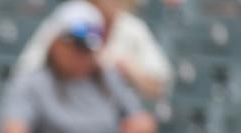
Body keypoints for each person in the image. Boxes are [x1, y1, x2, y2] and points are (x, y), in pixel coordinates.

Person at [0, 0, 157, 133]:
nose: (82, 57)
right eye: (75, 47)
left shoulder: (107, 77)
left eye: (88, 50)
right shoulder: (32, 82)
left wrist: (139, 125)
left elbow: (144, 121)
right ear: (55, 44)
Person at [14, 0, 172, 101]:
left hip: (109, 122)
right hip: (62, 112)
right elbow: (25, 71)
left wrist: (128, 69)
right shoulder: (69, 16)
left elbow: (160, 85)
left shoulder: (133, 28)